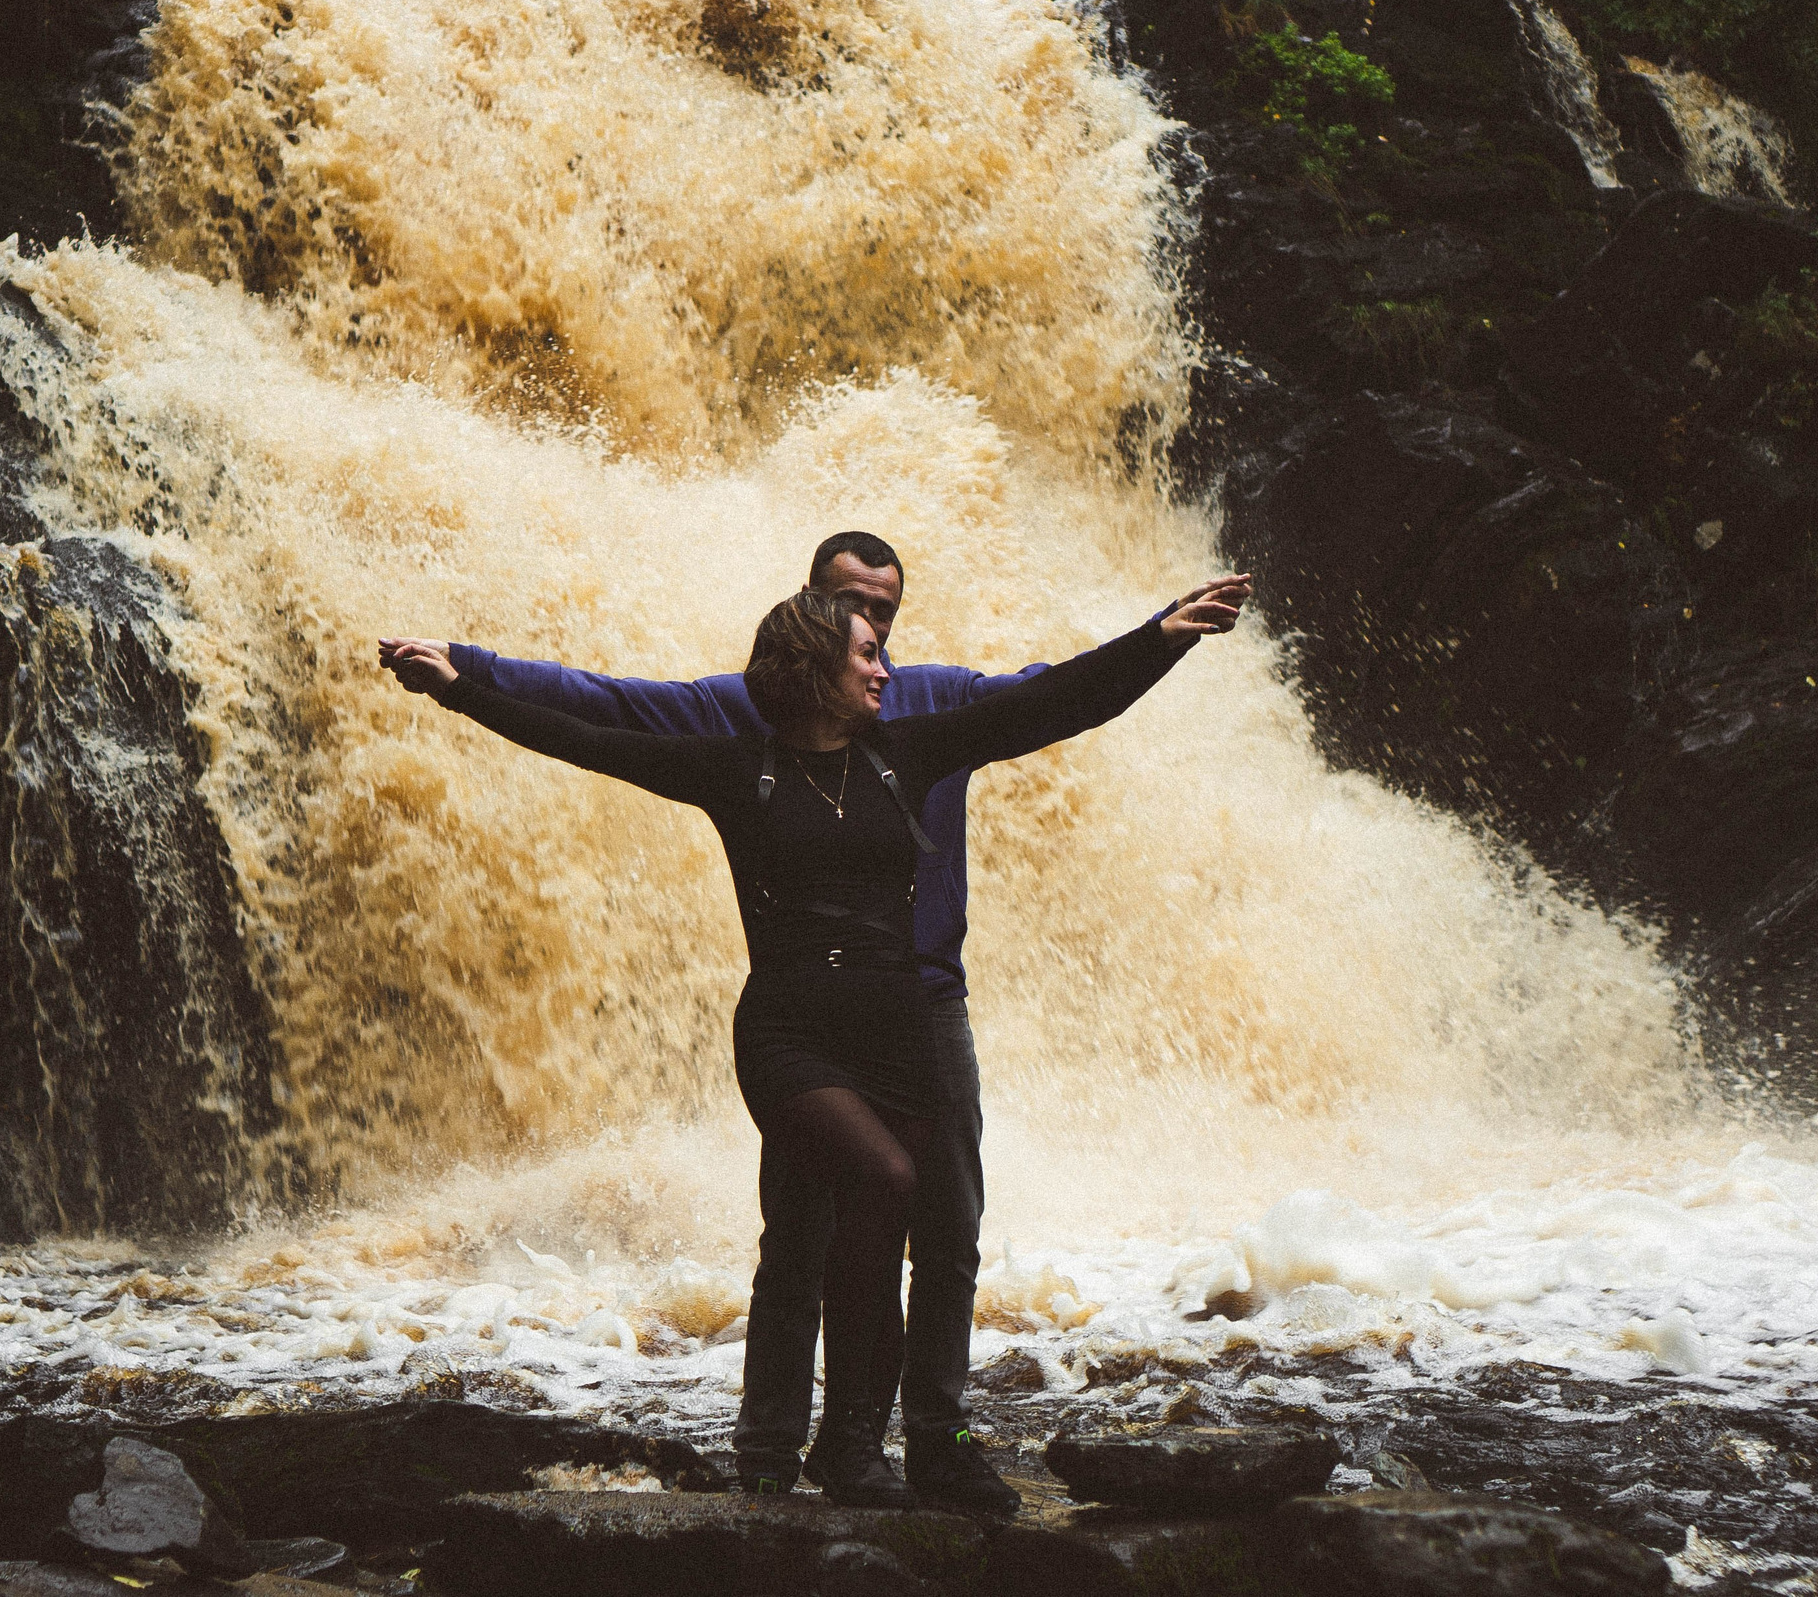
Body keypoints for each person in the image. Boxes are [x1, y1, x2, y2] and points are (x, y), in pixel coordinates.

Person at [384, 537, 1249, 1511]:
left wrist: (1161, 636)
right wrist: (462, 681)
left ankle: (896, 1445)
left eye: (884, 618)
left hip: (908, 1019)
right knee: (834, 1213)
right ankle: (776, 1451)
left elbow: (1049, 702)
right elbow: (596, 724)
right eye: (856, 626)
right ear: (811, 637)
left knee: (921, 1228)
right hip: (796, 1024)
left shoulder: (915, 731)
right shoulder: (731, 748)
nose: (878, 645)